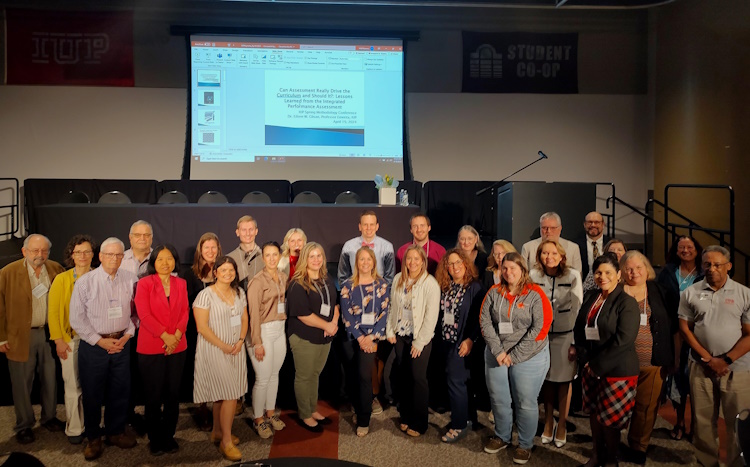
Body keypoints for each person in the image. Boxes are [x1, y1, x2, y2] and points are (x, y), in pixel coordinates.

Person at [679, 245, 750, 467]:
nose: (712, 269)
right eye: (707, 264)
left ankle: (736, 464)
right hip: (701, 368)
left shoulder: (744, 293)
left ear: (728, 266)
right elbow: (685, 329)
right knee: (702, 423)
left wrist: (725, 360)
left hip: (737, 369)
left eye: (717, 264)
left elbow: (749, 334)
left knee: (737, 423)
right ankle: (706, 463)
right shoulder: (689, 293)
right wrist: (708, 359)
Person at [69, 237, 139, 461]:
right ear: (100, 257)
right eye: (109, 254)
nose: (114, 259)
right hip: (94, 347)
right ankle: (93, 438)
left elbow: (136, 313)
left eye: (119, 255)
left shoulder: (131, 279)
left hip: (121, 344)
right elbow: (76, 319)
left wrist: (127, 336)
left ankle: (115, 432)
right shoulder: (85, 282)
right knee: (92, 393)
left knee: (120, 391)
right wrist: (100, 341)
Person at [480, 252, 552, 464]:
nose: (508, 272)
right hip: (497, 353)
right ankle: (502, 436)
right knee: (499, 399)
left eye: (513, 268)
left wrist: (515, 356)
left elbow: (541, 328)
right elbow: (485, 322)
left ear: (523, 270)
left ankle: (525, 444)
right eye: (505, 268)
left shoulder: (535, 294)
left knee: (525, 402)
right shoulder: (494, 292)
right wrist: (499, 352)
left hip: (530, 355)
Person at [573, 253, 640, 467]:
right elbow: (580, 328)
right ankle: (596, 455)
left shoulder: (627, 302)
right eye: (599, 272)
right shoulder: (592, 296)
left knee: (610, 422)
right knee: (594, 414)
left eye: (608, 272)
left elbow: (624, 341)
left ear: (618, 274)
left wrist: (597, 366)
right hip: (590, 367)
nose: (603, 276)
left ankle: (611, 461)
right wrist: (585, 360)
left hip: (617, 371)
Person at [0, 234, 66, 445]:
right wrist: (1, 338)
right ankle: (24, 425)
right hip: (20, 335)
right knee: (22, 382)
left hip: (50, 332)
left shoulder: (56, 269)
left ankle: (50, 417)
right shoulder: (7, 272)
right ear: (24, 251)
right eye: (35, 251)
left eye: (44, 250)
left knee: (50, 378)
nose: (40, 255)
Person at [620, 250, 677, 464]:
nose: (634, 272)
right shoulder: (616, 291)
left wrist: (674, 357)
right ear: (622, 271)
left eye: (639, 268)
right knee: (618, 406)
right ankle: (611, 443)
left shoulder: (660, 291)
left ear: (647, 269)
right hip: (620, 363)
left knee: (646, 407)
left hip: (653, 362)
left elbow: (673, 327)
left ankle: (638, 446)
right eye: (629, 268)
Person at [134, 244, 189, 456]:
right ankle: (155, 438)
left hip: (178, 346)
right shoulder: (145, 283)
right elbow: (144, 314)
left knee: (173, 394)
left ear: (175, 260)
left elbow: (185, 310)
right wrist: (165, 335)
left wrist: (176, 336)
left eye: (169, 259)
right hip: (151, 346)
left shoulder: (181, 283)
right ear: (153, 262)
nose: (165, 263)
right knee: (153, 395)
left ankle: (169, 436)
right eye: (160, 259)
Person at [192, 256, 248, 462]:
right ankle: (226, 441)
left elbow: (244, 318)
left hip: (236, 350)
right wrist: (224, 346)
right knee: (230, 394)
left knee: (222, 394)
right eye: (223, 270)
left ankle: (217, 431)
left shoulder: (239, 292)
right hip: (215, 350)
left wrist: (241, 340)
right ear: (215, 272)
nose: (227, 273)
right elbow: (202, 328)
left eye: (231, 270)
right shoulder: (205, 295)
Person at [529, 240, 582, 449]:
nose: (548, 257)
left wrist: (575, 343)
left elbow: (578, 310)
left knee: (564, 381)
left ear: (561, 256)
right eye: (544, 253)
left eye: (553, 253)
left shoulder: (573, 276)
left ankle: (562, 424)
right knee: (547, 381)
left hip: (566, 336)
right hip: (541, 337)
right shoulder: (534, 276)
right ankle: (548, 422)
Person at [386, 245, 440, 437]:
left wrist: (420, 342)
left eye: (417, 259)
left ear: (423, 261)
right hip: (401, 334)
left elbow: (431, 317)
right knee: (404, 376)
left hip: (420, 338)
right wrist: (390, 329)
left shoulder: (430, 283)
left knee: (418, 379)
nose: (412, 262)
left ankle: (419, 422)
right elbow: (393, 307)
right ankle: (406, 415)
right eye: (409, 258)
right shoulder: (398, 279)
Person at [287, 242, 340, 433]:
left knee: (314, 375)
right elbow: (302, 314)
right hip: (304, 337)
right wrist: (327, 325)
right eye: (312, 256)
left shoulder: (326, 279)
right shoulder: (297, 283)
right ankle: (305, 414)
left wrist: (333, 322)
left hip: (324, 336)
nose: (316, 259)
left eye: (319, 256)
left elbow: (335, 305)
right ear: (305, 260)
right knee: (304, 376)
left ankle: (312, 408)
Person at [48, 234, 96, 445]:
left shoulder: (100, 276)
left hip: (95, 341)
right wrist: (58, 340)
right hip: (70, 340)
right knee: (72, 385)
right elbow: (54, 313)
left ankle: (93, 425)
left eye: (87, 251)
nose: (83, 256)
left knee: (92, 386)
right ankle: (75, 428)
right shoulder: (61, 279)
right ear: (71, 255)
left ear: (93, 254)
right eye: (78, 252)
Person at [434, 249, 483, 444]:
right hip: (446, 341)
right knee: (460, 382)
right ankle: (469, 418)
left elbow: (479, 319)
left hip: (463, 343)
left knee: (456, 382)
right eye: (451, 264)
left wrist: (470, 339)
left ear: (466, 264)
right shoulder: (446, 286)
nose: (454, 267)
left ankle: (458, 425)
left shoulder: (475, 287)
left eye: (458, 263)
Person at [657, 235, 703, 441]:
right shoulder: (667, 272)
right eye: (681, 247)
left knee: (695, 381)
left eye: (689, 247)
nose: (685, 250)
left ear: (696, 250)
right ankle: (680, 421)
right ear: (676, 251)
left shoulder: (704, 273)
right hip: (673, 332)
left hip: (699, 333)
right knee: (677, 378)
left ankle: (696, 425)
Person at [340, 246, 390, 437]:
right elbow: (346, 315)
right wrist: (360, 337)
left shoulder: (382, 285)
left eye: (368, 259)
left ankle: (364, 419)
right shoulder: (347, 285)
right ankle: (357, 407)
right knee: (352, 375)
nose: (365, 263)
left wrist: (370, 337)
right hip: (352, 337)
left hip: (371, 339)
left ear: (373, 262)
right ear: (356, 263)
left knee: (364, 376)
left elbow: (384, 313)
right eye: (361, 259)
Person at [245, 241, 288, 439]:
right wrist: (257, 342)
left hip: (279, 330)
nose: (271, 258)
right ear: (263, 258)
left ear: (279, 256)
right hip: (262, 331)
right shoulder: (257, 281)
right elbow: (253, 314)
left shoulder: (282, 277)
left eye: (275, 254)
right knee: (262, 379)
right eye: (268, 255)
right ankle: (258, 419)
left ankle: (270, 414)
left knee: (274, 375)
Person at [183, 232, 222, 430]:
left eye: (213, 247)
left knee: (217, 367)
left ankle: (217, 407)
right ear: (200, 250)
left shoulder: (223, 270)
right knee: (200, 367)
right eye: (206, 247)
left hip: (220, 328)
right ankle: (202, 407)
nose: (210, 251)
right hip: (197, 329)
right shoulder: (190, 274)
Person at [339, 210, 396, 285]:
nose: (368, 228)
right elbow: (343, 276)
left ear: (377, 226)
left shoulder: (387, 247)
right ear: (360, 227)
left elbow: (389, 278)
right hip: (354, 290)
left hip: (379, 291)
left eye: (372, 224)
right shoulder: (348, 246)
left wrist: (381, 293)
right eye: (365, 224)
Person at [576, 212, 611, 291]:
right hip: (583, 289)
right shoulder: (575, 245)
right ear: (584, 224)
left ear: (603, 224)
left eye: (597, 222)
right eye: (589, 222)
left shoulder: (611, 243)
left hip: (607, 287)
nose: (593, 225)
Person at [227, 215, 264, 288]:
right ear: (237, 232)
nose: (248, 233)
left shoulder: (265, 257)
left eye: (251, 229)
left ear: (256, 231)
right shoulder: (229, 258)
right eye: (244, 230)